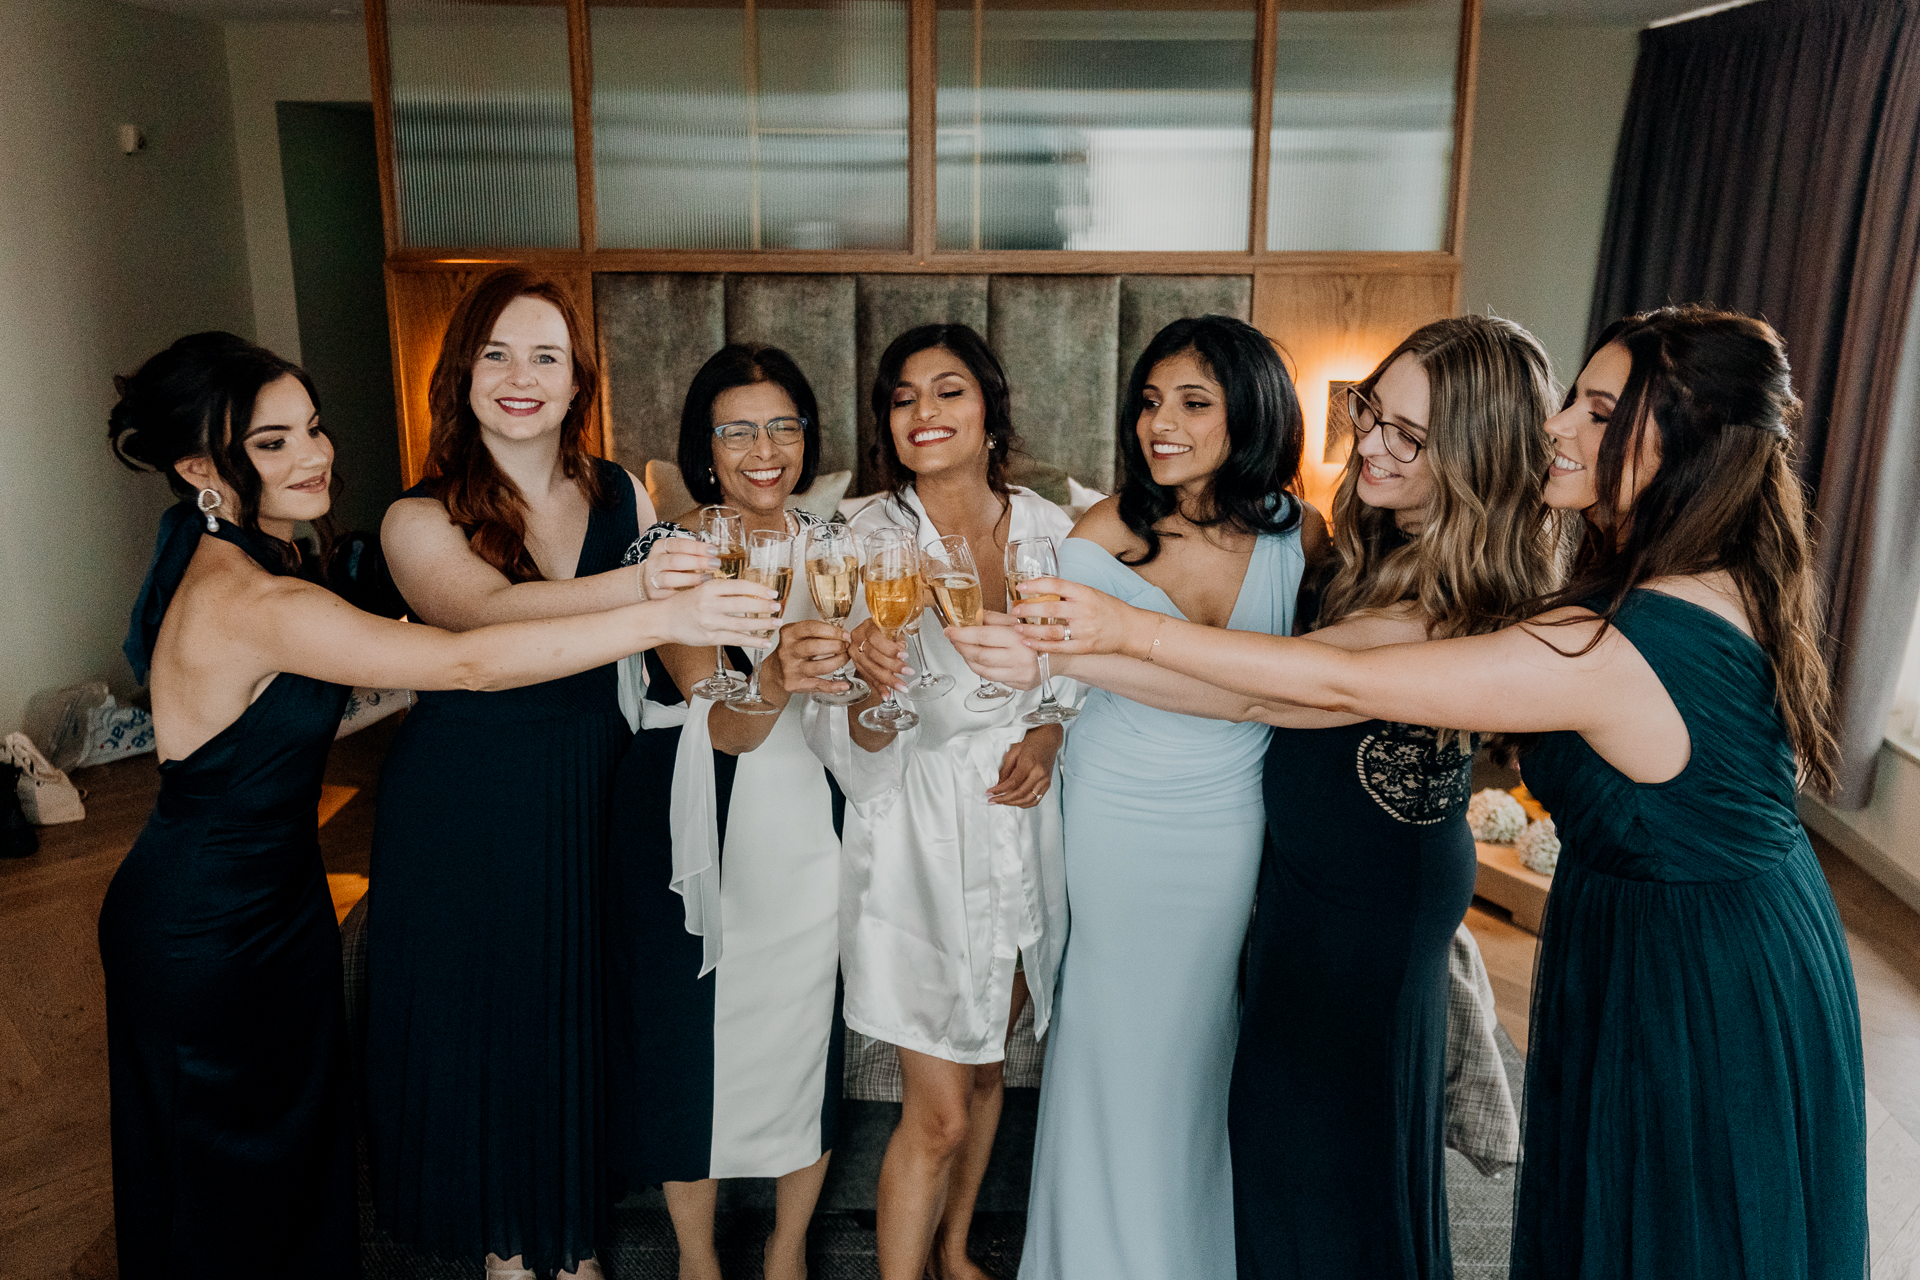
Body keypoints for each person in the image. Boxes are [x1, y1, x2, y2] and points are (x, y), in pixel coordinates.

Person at [1005, 305, 1869, 1280]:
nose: (1558, 425)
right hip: (1700, 921)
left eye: (1595, 407)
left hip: (1697, 962)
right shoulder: (1689, 576)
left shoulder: (1610, 633)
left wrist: (1120, 632)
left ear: (1684, 442)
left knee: (1683, 1220)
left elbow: (1320, 683)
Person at [98, 333, 768, 1280]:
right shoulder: (246, 592)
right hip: (202, 924)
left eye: (313, 429)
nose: (315, 454)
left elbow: (281, 712)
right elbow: (464, 659)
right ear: (203, 468)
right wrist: (664, 616)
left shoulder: (257, 558)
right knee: (227, 1189)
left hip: (273, 904)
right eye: (273, 443)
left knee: (286, 1176)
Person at [364, 268, 718, 1280]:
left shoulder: (623, 491)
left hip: (592, 795)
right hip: (467, 805)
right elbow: (480, 613)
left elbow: (677, 658)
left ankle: (570, 1250)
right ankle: (512, 1254)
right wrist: (652, 591)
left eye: (546, 357)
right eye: (497, 354)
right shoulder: (414, 517)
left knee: (569, 1031)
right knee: (495, 1035)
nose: (521, 377)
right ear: (462, 373)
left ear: (577, 381)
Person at [987, 314, 1316, 1280]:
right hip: (1119, 815)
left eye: (1192, 402)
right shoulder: (1106, 531)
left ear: (1251, 412)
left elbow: (1319, 682)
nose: (1158, 423)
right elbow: (1058, 672)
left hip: (1232, 824)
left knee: (1196, 1047)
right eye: (1149, 400)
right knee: (1108, 1038)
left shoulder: (1301, 538)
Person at [604, 344, 857, 1280]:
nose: (765, 448)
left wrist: (872, 676)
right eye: (738, 428)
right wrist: (784, 675)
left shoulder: (839, 547)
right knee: (683, 1029)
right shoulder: (672, 556)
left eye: (784, 425)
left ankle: (788, 1251)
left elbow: (867, 708)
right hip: (689, 800)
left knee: (804, 1023)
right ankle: (697, 1260)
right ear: (704, 449)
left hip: (810, 809)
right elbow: (721, 720)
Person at [832, 323, 1073, 1280]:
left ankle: (957, 1247)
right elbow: (842, 724)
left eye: (947, 391)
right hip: (918, 833)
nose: (923, 413)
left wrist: (1049, 736)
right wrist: (867, 689)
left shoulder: (1057, 530)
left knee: (986, 1066)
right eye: (901, 398)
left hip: (1023, 824)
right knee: (934, 1107)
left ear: (989, 409)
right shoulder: (859, 536)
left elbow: (1077, 673)